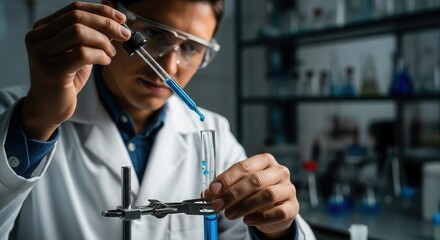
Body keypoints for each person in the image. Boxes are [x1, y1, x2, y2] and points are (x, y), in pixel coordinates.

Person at [0, 0, 316, 239]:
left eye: (191, 48)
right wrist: (37, 121)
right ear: (110, 19)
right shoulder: (19, 112)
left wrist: (279, 228)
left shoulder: (212, 132)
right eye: (153, 34)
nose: (170, 65)